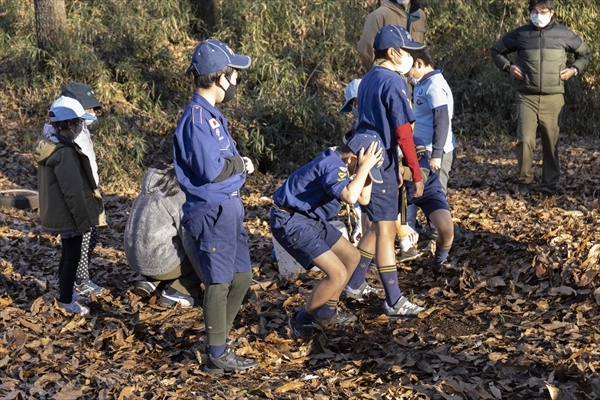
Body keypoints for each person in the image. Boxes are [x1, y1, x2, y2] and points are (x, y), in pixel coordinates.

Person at [172, 39, 258, 374]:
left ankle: (218, 338)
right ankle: (216, 353)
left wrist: (236, 165)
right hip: (212, 211)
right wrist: (240, 165)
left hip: (229, 208)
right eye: (234, 74)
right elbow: (212, 169)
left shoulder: (211, 115)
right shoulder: (196, 119)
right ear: (220, 78)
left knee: (242, 277)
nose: (236, 81)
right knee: (219, 281)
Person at [347, 25, 427, 317]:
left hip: (369, 152)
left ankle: (355, 283)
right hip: (381, 158)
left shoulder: (367, 78)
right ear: (393, 53)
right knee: (386, 231)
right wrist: (415, 173)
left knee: (378, 222)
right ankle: (393, 299)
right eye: (407, 52)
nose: (410, 58)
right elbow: (404, 133)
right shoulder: (394, 81)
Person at [270, 134, 383, 338]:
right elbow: (349, 197)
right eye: (362, 166)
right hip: (290, 220)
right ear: (352, 159)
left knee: (352, 257)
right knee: (337, 273)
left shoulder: (343, 161)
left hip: (309, 218)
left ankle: (326, 312)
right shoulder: (333, 165)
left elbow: (363, 199)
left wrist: (366, 171)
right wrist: (363, 168)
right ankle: (301, 319)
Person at [490, 0, 591, 196]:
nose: (538, 15)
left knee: (550, 142)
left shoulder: (564, 34)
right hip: (526, 96)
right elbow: (496, 50)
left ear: (551, 12)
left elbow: (585, 53)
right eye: (534, 11)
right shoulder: (520, 34)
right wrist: (508, 67)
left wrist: (574, 69)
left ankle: (549, 186)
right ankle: (524, 182)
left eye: (543, 11)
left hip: (553, 99)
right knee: (525, 140)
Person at [34, 96, 106, 315]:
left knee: (68, 255)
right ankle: (66, 300)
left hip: (62, 213)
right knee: (72, 257)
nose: (81, 127)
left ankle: (66, 293)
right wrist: (83, 221)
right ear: (69, 125)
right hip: (70, 215)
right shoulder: (64, 153)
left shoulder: (51, 145)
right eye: (79, 123)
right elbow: (73, 192)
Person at [124, 166, 204, 308]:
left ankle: (150, 282)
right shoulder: (177, 195)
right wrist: (207, 276)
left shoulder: (147, 191)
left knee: (165, 242)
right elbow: (189, 240)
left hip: (135, 259)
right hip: (159, 262)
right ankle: (180, 292)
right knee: (200, 252)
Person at [358, 0, 428, 71]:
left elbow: (421, 48)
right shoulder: (379, 15)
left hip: (414, 77)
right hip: (388, 77)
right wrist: (380, 72)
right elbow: (365, 50)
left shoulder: (420, 15)